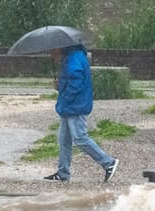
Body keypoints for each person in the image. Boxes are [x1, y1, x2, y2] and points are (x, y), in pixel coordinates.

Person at [45, 44, 119, 183]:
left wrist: (64, 97)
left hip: (75, 107)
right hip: (72, 106)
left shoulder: (73, 59)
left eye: (52, 49)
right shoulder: (74, 57)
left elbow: (75, 83)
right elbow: (72, 80)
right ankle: (63, 173)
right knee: (64, 140)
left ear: (60, 46)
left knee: (80, 138)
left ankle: (108, 162)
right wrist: (60, 85)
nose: (51, 53)